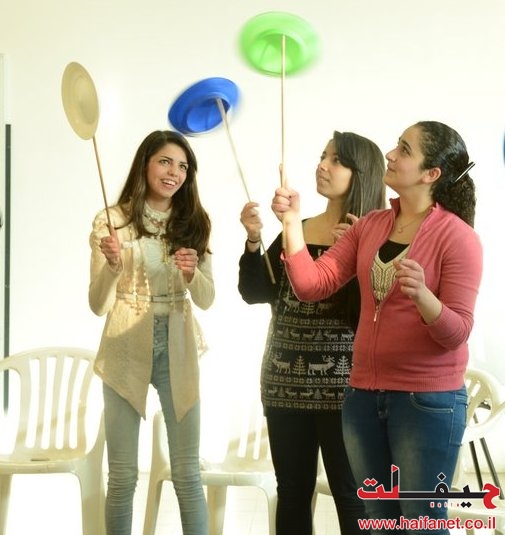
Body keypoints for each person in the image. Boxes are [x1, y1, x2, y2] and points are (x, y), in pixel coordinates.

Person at [272, 121, 483, 535]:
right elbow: (311, 285)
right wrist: (292, 222)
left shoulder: (458, 238)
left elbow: (457, 332)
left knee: (421, 526)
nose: (390, 154)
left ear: (431, 173)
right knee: (379, 525)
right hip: (363, 398)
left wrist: (424, 297)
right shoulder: (370, 226)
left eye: (404, 149)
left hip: (426, 404)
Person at [238, 130, 386, 535]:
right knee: (292, 492)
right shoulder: (297, 230)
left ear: (361, 172)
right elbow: (256, 292)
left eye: (337, 160)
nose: (323, 165)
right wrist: (253, 241)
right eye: (323, 156)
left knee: (352, 496)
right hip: (284, 385)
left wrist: (360, 258)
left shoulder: (375, 238)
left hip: (347, 392)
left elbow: (372, 315)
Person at [89, 130, 214, 535]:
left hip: (178, 344)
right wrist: (113, 267)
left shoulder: (195, 222)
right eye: (165, 161)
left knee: (187, 473)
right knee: (123, 475)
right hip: (125, 345)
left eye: (183, 166)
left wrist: (192, 275)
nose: (174, 172)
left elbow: (207, 298)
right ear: (145, 163)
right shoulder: (113, 222)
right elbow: (98, 304)